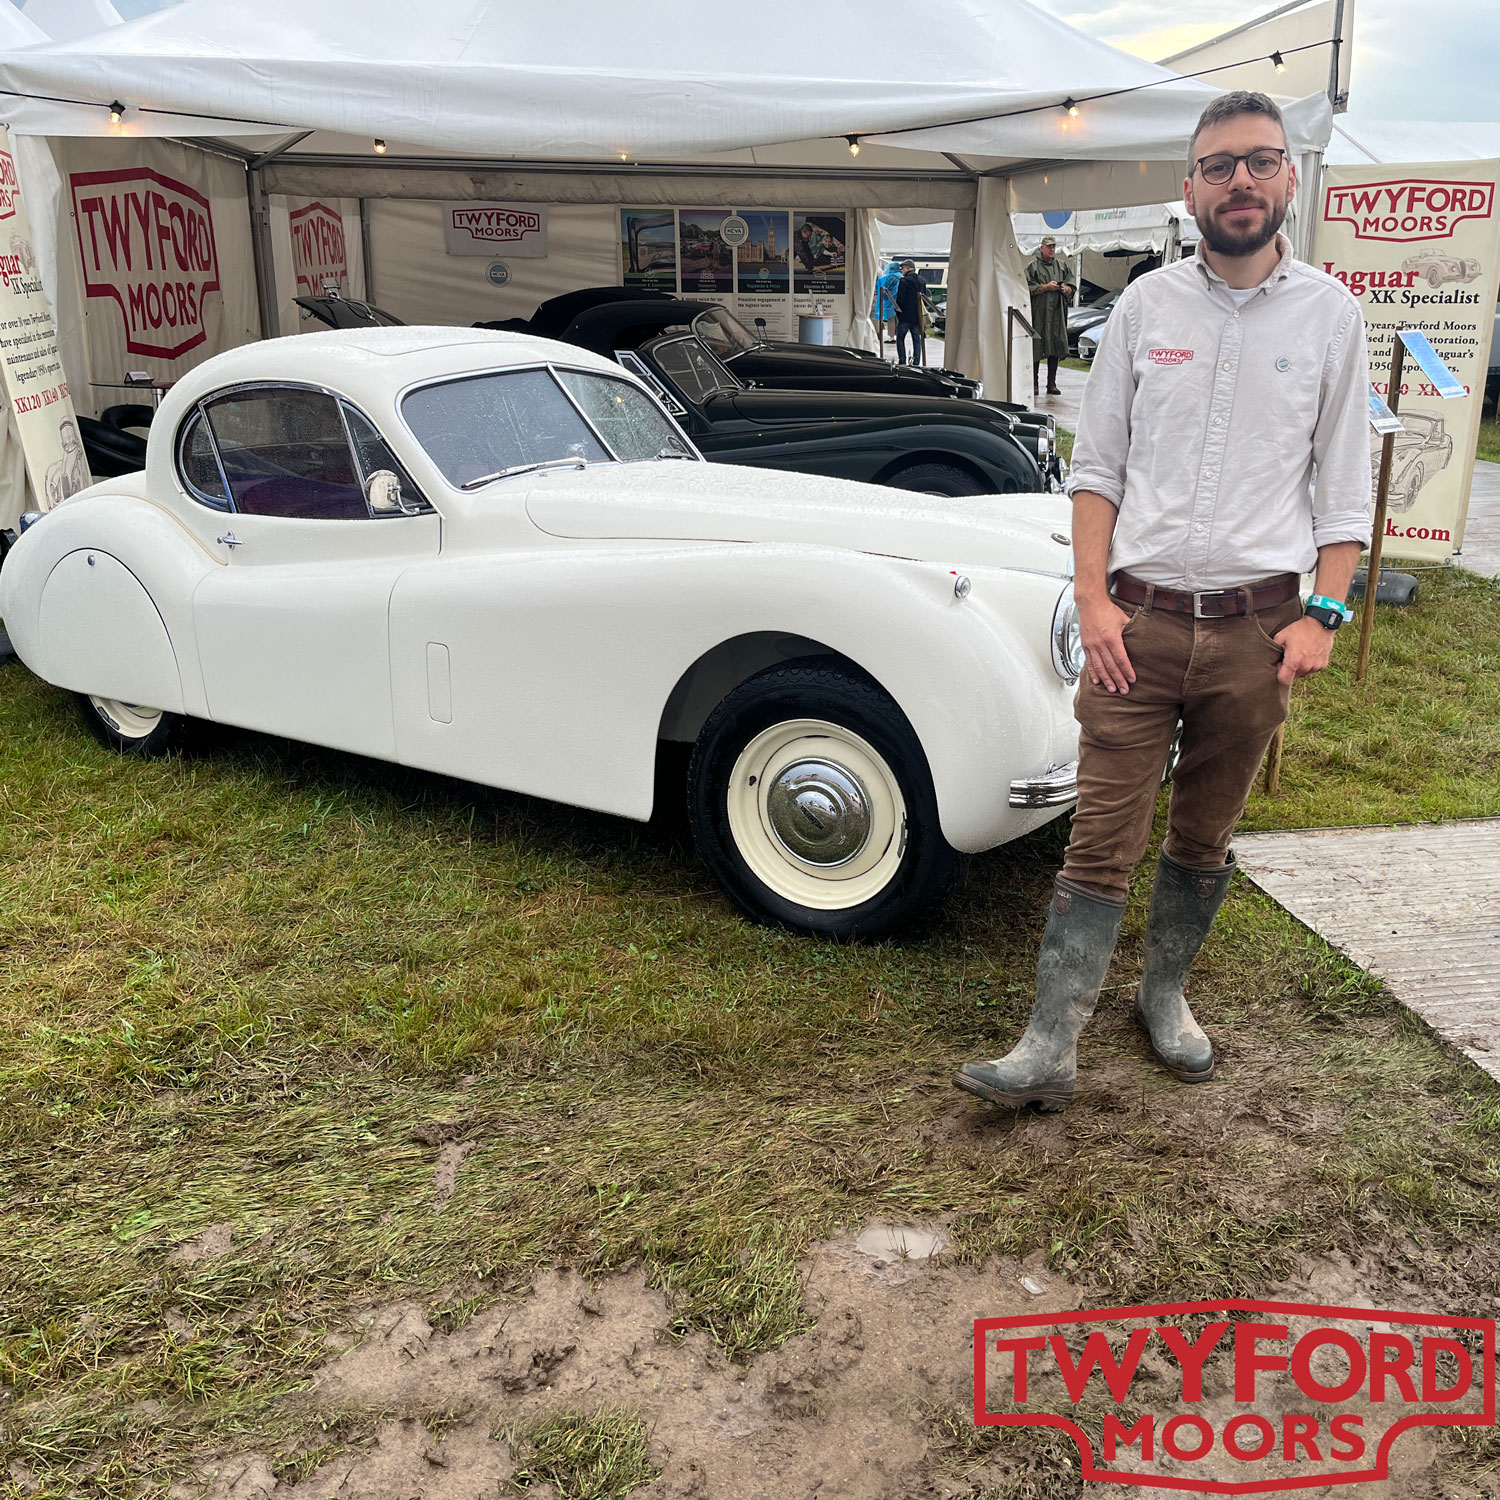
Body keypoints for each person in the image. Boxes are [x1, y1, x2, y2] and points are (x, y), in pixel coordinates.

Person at [955, 90, 1373, 1112]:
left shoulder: (1332, 317)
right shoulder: (1144, 310)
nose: (1241, 181)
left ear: (1289, 179)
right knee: (1102, 832)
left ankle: (1166, 995)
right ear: (1189, 188)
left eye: (1261, 162)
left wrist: (1323, 617)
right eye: (1221, 165)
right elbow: (1096, 471)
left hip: (1255, 633)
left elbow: (1345, 488)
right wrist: (1093, 605)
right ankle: (1051, 1040)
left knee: (1204, 835)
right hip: (1134, 626)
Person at [1027, 234, 1075, 396]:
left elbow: (1072, 286)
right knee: (1036, 346)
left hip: (1057, 313)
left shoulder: (1062, 266)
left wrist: (1065, 289)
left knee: (1055, 344)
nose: (1052, 249)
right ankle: (1033, 383)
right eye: (1049, 246)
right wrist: (1045, 287)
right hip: (1039, 313)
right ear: (1042, 248)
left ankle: (1051, 383)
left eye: (1054, 246)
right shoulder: (1033, 267)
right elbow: (1025, 287)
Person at [894, 259, 934, 365]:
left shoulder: (904, 281)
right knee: (917, 339)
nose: (901, 271)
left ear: (907, 268)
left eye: (902, 268)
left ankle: (902, 360)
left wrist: (898, 312)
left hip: (905, 316)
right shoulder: (922, 280)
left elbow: (900, 299)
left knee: (900, 338)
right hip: (918, 317)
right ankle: (917, 362)